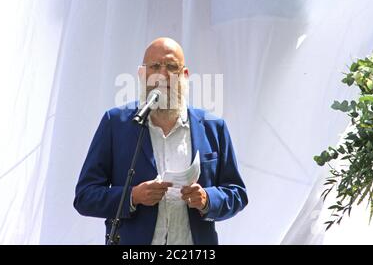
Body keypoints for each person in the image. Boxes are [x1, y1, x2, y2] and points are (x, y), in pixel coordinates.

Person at [73, 37, 248, 245]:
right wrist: (133, 196)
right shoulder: (116, 123)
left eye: (172, 67)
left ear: (185, 75)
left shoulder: (213, 126)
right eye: (155, 66)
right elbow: (85, 196)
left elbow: (237, 193)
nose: (163, 75)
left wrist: (207, 199)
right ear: (142, 75)